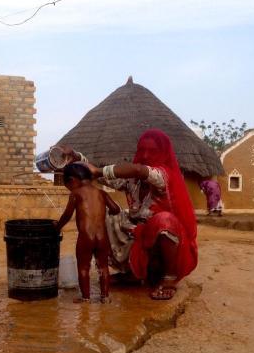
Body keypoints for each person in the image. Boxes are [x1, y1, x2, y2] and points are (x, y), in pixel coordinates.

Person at [81, 129, 198, 300]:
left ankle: (169, 278)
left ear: (162, 153)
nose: (145, 155)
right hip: (141, 238)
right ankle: (132, 274)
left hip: (168, 245)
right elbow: (102, 178)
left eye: (152, 151)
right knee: (107, 216)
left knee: (164, 221)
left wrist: (99, 171)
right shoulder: (133, 182)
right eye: (142, 150)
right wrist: (77, 159)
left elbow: (137, 170)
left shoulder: (163, 175)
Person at [56, 162, 120, 303]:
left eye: (68, 186)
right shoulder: (101, 193)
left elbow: (67, 215)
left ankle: (86, 298)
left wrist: (57, 226)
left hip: (86, 237)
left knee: (83, 267)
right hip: (102, 237)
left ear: (72, 180)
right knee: (103, 266)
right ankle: (105, 296)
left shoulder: (76, 194)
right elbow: (116, 209)